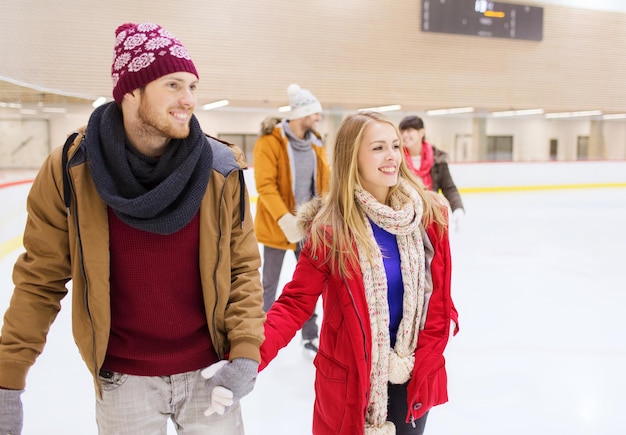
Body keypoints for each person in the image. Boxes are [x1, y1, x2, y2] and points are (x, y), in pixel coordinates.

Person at [0, 22, 264, 434]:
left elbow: (243, 268)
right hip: (123, 381)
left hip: (210, 372)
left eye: (193, 86)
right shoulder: (72, 169)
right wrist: (7, 378)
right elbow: (40, 278)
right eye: (173, 85)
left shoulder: (219, 168)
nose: (188, 99)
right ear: (131, 91)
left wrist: (246, 351)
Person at [260, 111, 459, 434]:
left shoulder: (428, 218)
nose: (392, 155)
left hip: (412, 374)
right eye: (378, 148)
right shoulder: (331, 231)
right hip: (353, 381)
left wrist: (432, 351)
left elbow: (439, 298)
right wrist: (248, 357)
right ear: (352, 156)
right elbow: (295, 303)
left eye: (395, 145)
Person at [253, 83, 330, 356]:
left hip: (309, 226)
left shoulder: (316, 143)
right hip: (280, 225)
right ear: (302, 114)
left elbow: (323, 182)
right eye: (315, 113)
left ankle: (310, 336)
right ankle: (258, 338)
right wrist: (286, 220)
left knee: (308, 285)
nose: (318, 118)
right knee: (269, 285)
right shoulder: (270, 142)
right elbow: (265, 185)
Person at [399, 115, 465, 232]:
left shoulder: (437, 159)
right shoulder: (397, 158)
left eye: (409, 130)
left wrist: (458, 208)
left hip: (432, 216)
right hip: (406, 217)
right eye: (402, 131)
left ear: (421, 132)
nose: (404, 135)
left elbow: (449, 188)